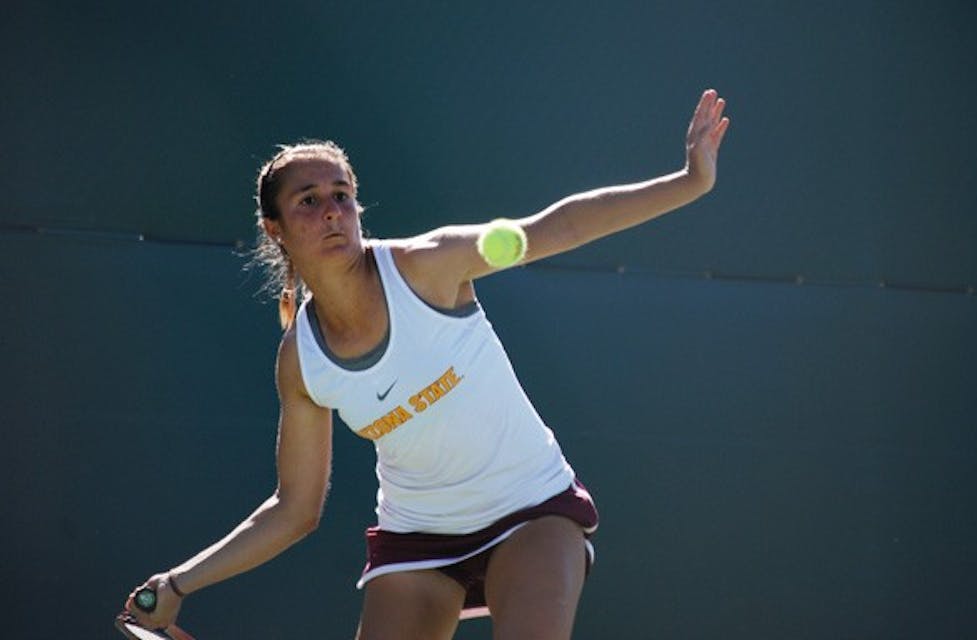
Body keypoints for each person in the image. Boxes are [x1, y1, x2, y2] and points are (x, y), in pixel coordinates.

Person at [125, 89, 729, 639]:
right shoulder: (301, 362)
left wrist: (688, 181)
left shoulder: (429, 266)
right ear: (275, 229)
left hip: (532, 511)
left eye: (342, 196)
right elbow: (294, 510)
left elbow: (557, 226)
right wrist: (178, 583)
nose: (332, 211)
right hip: (416, 541)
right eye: (308, 202)